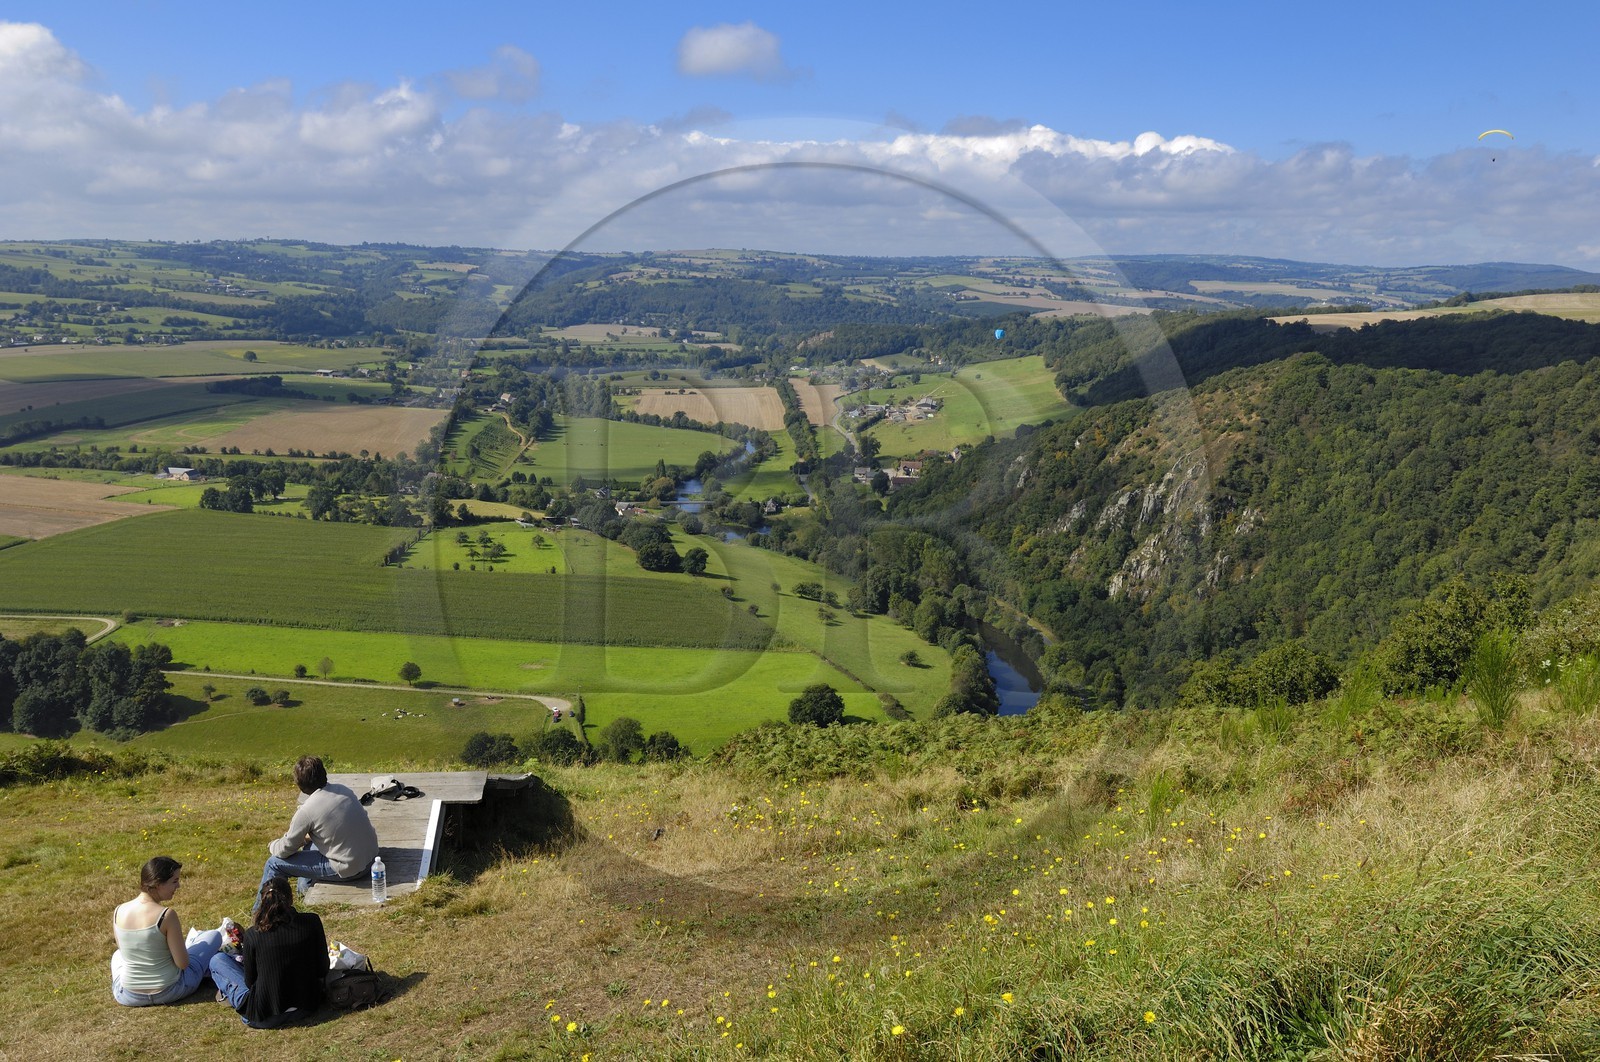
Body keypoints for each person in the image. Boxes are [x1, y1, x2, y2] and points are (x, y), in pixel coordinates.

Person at [209, 877, 328, 1028]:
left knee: (217, 960)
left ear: (263, 902)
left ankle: (228, 993)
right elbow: (322, 968)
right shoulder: (312, 921)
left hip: (265, 1016)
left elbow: (250, 982)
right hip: (307, 1006)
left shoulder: (253, 935)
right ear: (291, 899)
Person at [258, 755, 379, 902]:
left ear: (300, 784)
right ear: (324, 773)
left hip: (350, 869)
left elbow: (285, 850)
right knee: (310, 845)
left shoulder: (306, 811)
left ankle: (264, 914)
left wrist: (273, 845)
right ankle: (304, 891)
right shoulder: (343, 790)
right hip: (371, 858)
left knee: (274, 863)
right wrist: (306, 839)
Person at [110, 855, 225, 1007]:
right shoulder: (166, 915)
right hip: (171, 990)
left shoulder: (119, 911)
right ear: (158, 884)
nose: (178, 886)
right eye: (174, 881)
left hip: (129, 996)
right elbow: (183, 964)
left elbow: (124, 952)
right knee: (214, 936)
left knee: (117, 955)